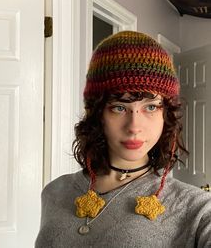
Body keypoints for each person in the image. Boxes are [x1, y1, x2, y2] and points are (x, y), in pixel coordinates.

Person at [35, 31, 211, 248]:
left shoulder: (196, 208)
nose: (134, 127)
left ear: (166, 114)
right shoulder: (55, 191)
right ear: (97, 113)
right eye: (119, 107)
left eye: (150, 107)